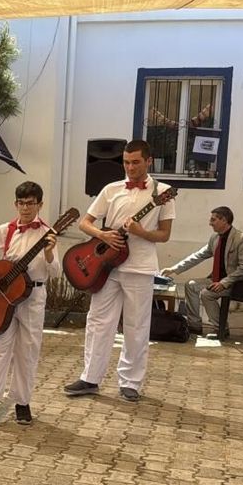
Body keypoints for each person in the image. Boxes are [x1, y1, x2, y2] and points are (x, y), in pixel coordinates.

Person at [64, 140, 175, 403]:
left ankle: (130, 382)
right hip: (106, 267)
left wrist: (142, 232)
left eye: (135, 162)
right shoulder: (111, 189)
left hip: (140, 266)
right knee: (98, 322)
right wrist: (102, 234)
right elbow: (85, 223)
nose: (130, 167)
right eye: (126, 162)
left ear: (149, 161)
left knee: (136, 326)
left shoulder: (164, 192)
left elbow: (165, 235)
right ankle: (90, 377)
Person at [0, 181, 59, 425]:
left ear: (40, 204)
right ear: (15, 204)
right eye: (21, 203)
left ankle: (22, 403)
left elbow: (57, 272)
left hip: (34, 297)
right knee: (0, 347)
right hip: (5, 297)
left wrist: (50, 253)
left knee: (27, 351)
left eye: (31, 203)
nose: (26, 208)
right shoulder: (5, 230)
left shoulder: (47, 233)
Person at [162, 207, 243, 338]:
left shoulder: (242, 239)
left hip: (240, 284)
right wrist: (174, 268)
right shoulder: (215, 238)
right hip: (219, 279)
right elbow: (198, 256)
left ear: (224, 220)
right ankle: (194, 325)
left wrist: (224, 282)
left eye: (213, 220)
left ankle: (221, 329)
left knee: (207, 293)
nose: (210, 223)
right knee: (191, 285)